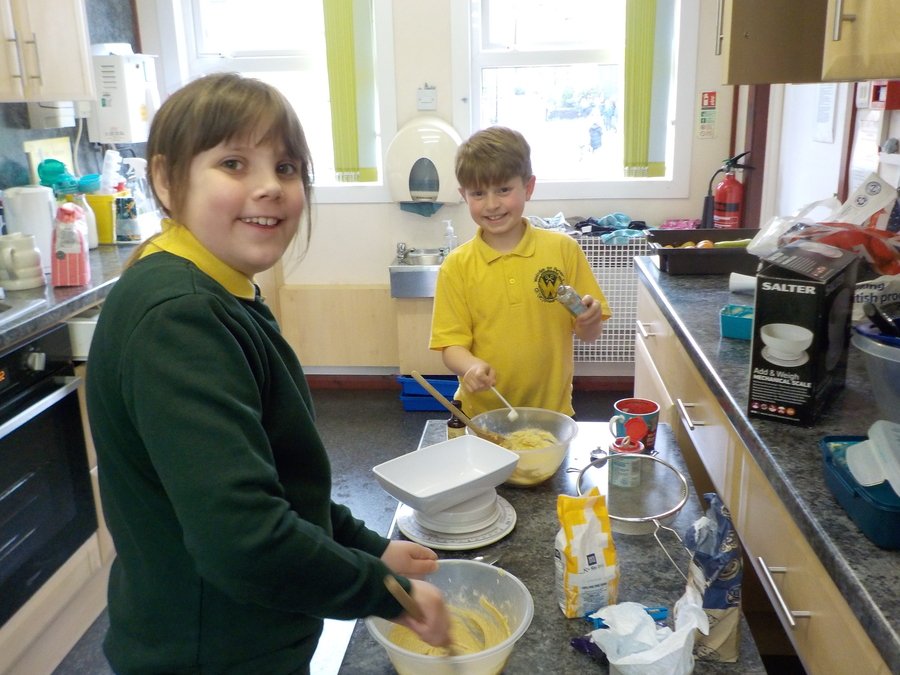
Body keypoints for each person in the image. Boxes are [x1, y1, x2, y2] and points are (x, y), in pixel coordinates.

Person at [86, 72, 449, 674]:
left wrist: (373, 547)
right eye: (233, 163)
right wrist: (388, 593)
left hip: (231, 634)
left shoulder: (209, 287)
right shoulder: (183, 320)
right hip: (213, 653)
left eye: (285, 168)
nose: (270, 188)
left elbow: (280, 477)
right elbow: (244, 541)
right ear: (164, 178)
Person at [430, 126, 611, 418]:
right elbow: (451, 346)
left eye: (503, 190)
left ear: (528, 187)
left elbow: (589, 333)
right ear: (464, 195)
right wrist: (470, 366)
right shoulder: (456, 266)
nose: (492, 204)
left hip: (552, 412)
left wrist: (589, 320)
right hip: (480, 414)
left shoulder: (563, 250)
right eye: (478, 193)